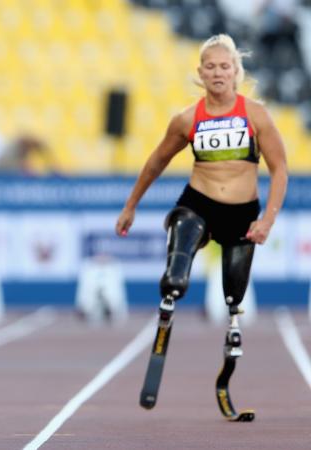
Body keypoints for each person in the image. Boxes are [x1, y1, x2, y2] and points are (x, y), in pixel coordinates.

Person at [115, 34, 287, 417]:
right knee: (178, 270)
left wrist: (267, 219)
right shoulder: (187, 119)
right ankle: (169, 298)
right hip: (199, 202)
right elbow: (156, 161)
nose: (217, 73)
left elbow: (280, 168)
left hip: (243, 212)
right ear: (200, 73)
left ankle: (230, 344)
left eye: (224, 66)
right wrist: (131, 206)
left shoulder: (255, 114)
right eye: (210, 66)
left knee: (233, 299)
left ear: (236, 72)